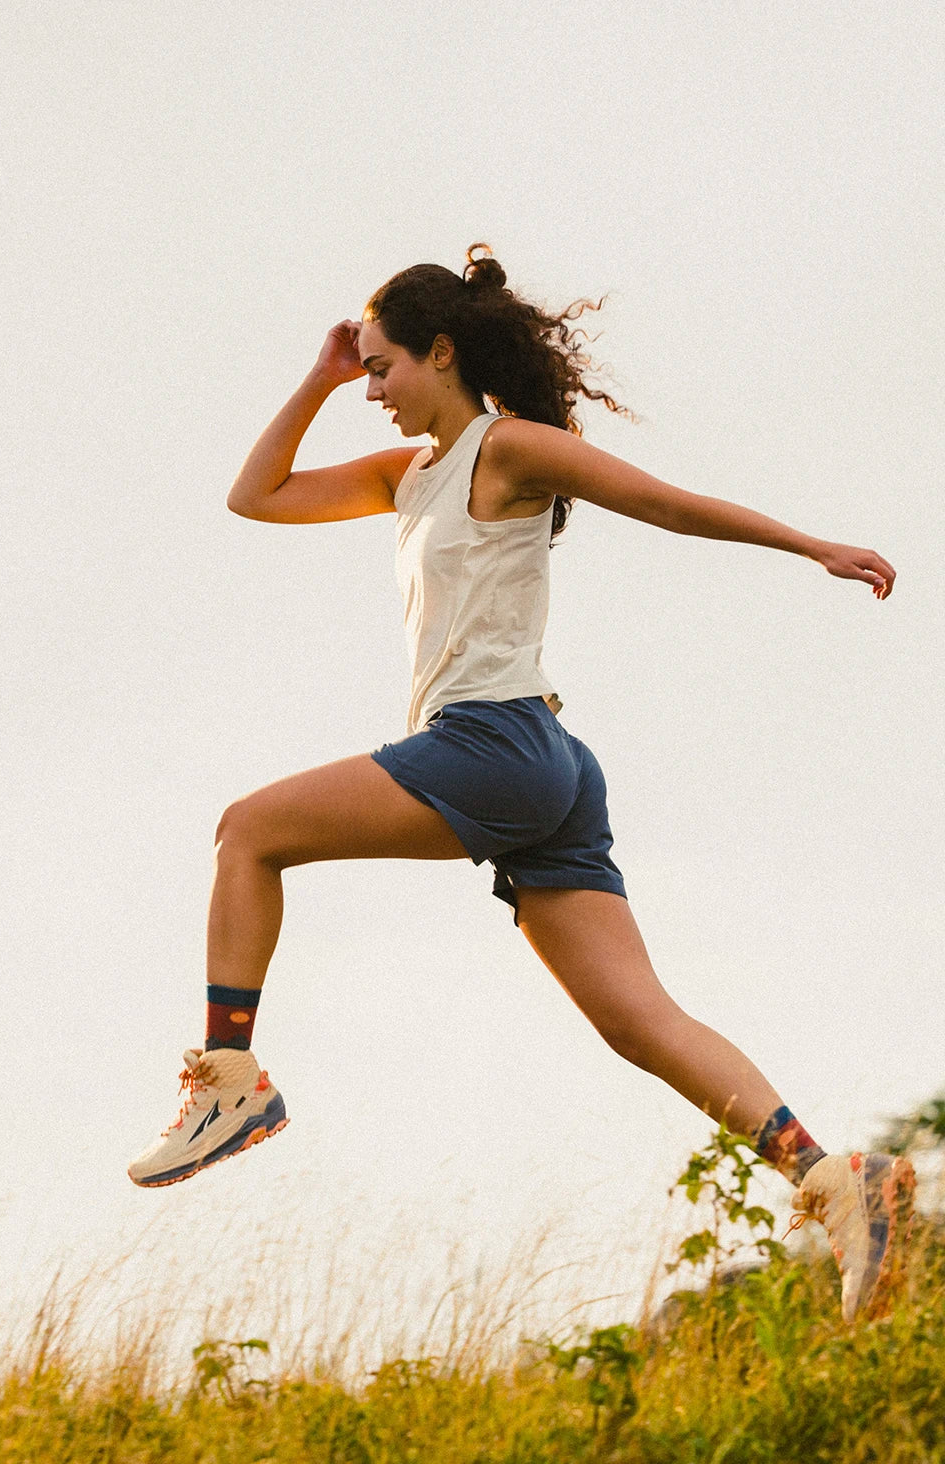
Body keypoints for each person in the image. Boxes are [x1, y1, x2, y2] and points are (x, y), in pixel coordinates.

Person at [128, 245, 915, 1324]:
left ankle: (231, 1080)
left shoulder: (508, 449)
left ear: (441, 353)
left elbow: (671, 506)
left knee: (247, 830)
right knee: (639, 1021)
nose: (371, 391)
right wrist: (315, 377)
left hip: (493, 743)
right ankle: (834, 1181)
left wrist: (812, 546)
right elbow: (251, 496)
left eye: (381, 368)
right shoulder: (404, 478)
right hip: (544, 768)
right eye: (360, 374)